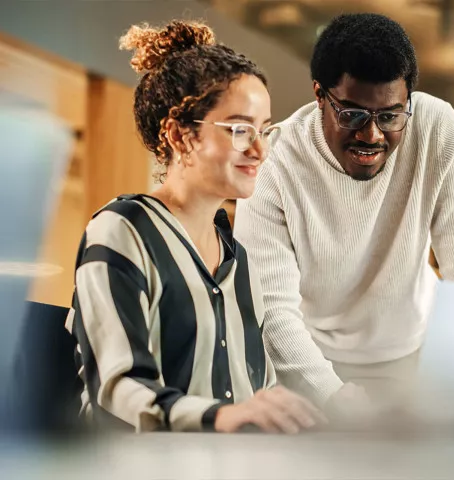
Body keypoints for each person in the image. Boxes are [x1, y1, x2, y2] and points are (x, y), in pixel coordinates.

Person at [65, 19, 324, 433]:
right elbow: (116, 388)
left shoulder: (240, 262)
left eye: (265, 131)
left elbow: (258, 393)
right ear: (181, 136)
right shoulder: (122, 230)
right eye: (240, 129)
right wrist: (220, 417)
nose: (260, 149)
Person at [234, 13, 454, 408]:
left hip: (417, 355)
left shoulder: (436, 128)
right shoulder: (274, 162)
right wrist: (336, 400)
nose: (372, 135)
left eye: (390, 116)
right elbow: (272, 311)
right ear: (319, 95)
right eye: (353, 115)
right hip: (312, 365)